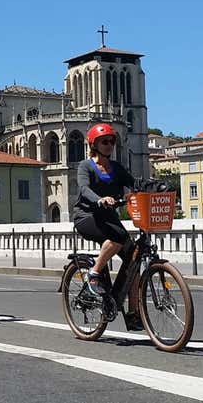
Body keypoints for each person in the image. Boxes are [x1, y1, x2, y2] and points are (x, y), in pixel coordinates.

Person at [73, 123, 138, 326]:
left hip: (108, 218)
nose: (109, 145)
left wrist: (157, 186)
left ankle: (133, 313)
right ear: (94, 144)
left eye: (112, 141)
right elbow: (84, 189)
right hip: (86, 216)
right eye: (104, 142)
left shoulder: (116, 168)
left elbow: (134, 182)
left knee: (134, 260)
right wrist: (100, 199)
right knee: (118, 236)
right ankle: (93, 274)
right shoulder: (86, 166)